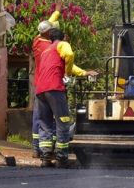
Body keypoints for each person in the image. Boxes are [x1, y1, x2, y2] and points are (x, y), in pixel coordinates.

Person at [34, 28, 96, 168]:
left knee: (45, 123)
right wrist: (67, 76)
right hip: (54, 88)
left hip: (40, 90)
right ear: (63, 38)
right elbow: (69, 54)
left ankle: (45, 158)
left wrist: (84, 73)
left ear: (49, 40)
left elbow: (67, 64)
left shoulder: (46, 51)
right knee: (63, 121)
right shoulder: (62, 45)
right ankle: (62, 157)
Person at [30, 10, 61, 158]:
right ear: (49, 33)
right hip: (49, 84)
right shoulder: (50, 48)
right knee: (50, 117)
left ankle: (38, 148)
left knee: (40, 117)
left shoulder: (37, 40)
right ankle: (46, 149)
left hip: (38, 84)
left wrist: (57, 12)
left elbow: (46, 25)